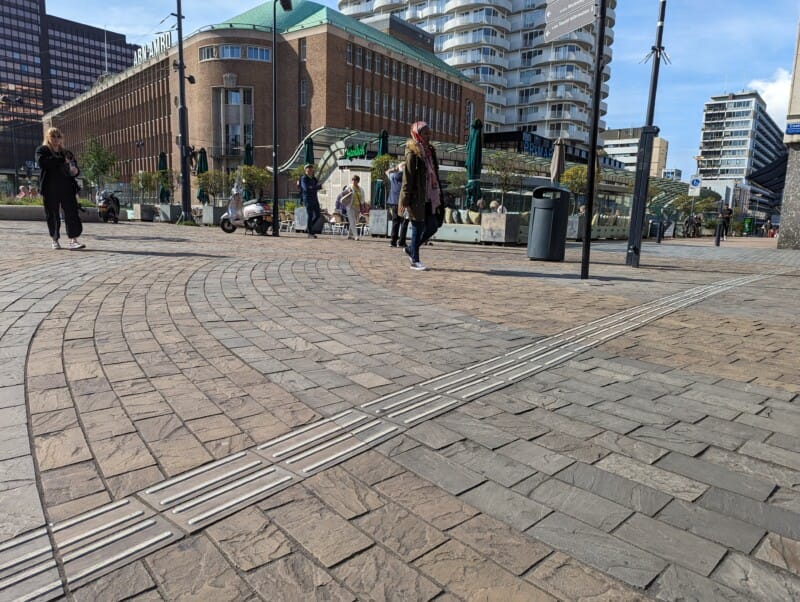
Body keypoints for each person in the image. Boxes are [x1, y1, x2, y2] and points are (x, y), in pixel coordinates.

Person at [399, 121, 443, 271]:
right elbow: (408, 178)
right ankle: (415, 260)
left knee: (433, 225)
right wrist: (404, 200)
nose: (428, 136)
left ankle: (411, 249)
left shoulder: (430, 152)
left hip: (430, 196)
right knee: (417, 227)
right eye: (425, 133)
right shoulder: (412, 153)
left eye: (429, 133)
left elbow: (435, 174)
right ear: (417, 134)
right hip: (416, 197)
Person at [36, 127, 85, 250]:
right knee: (52, 214)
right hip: (50, 188)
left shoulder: (66, 153)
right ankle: (55, 239)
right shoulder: (42, 150)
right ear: (48, 138)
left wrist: (75, 171)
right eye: (53, 136)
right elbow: (43, 163)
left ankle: (74, 240)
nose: (56, 139)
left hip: (67, 188)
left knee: (72, 212)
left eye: (58, 136)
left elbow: (75, 168)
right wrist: (62, 160)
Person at [386, 162, 408, 248]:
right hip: (403, 202)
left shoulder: (393, 176)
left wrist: (394, 168)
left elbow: (386, 172)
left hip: (393, 202)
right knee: (404, 222)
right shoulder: (407, 177)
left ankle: (393, 241)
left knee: (395, 221)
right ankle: (401, 242)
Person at [299, 163, 322, 238]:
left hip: (315, 199)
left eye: (311, 168)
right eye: (308, 168)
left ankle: (309, 227)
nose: (310, 169)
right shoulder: (304, 178)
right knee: (310, 215)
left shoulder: (314, 179)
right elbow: (306, 188)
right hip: (307, 199)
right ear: (305, 170)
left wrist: (313, 187)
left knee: (318, 215)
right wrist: (315, 187)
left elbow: (316, 186)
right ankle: (310, 232)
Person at [342, 175, 363, 240]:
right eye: (353, 179)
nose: (354, 181)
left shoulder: (360, 189)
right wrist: (349, 191)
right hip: (350, 206)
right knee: (352, 221)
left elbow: (362, 198)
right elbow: (344, 193)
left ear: (358, 181)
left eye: (355, 180)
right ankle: (356, 235)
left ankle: (350, 235)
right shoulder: (349, 186)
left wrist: (362, 204)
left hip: (357, 207)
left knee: (353, 221)